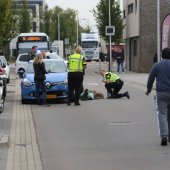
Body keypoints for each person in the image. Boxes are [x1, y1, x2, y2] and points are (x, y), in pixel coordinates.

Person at [145, 47, 170, 146]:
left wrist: (148, 90)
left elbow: (150, 79)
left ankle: (164, 136)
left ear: (162, 56)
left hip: (162, 93)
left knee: (162, 114)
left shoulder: (157, 65)